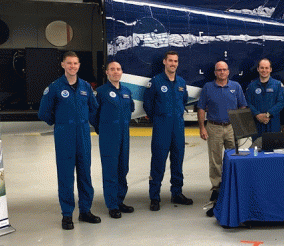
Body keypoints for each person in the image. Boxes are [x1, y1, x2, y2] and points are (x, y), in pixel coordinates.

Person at [38, 51, 101, 230]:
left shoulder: (86, 87)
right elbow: (43, 112)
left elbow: (93, 108)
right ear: (63, 65)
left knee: (85, 174)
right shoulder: (55, 87)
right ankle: (67, 215)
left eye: (75, 63)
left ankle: (85, 211)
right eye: (69, 63)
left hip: (82, 136)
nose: (72, 66)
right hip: (64, 136)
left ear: (79, 66)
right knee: (65, 176)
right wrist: (59, 124)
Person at [143, 51, 192, 211]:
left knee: (178, 161)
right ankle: (154, 197)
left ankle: (176, 193)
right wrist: (158, 117)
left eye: (175, 61)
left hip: (178, 126)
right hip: (161, 126)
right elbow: (148, 104)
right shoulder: (156, 82)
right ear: (164, 62)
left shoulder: (181, 82)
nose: (173, 63)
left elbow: (184, 100)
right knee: (158, 162)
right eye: (170, 60)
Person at [197, 61, 247, 214]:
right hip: (214, 127)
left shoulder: (236, 87)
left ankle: (233, 185)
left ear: (228, 71)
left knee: (234, 157)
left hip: (231, 128)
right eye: (219, 70)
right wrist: (202, 127)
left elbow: (242, 106)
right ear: (215, 72)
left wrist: (240, 127)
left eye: (224, 70)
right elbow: (200, 108)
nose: (222, 72)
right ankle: (216, 189)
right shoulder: (208, 88)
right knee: (215, 160)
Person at [94, 61, 135, 219]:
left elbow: (130, 109)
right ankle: (112, 205)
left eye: (118, 69)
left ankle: (120, 200)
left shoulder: (126, 91)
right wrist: (103, 129)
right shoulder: (101, 92)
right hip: (109, 136)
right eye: (112, 69)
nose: (116, 72)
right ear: (107, 73)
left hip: (124, 135)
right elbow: (93, 114)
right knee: (110, 170)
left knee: (123, 168)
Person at [245, 58, 284, 142]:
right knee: (257, 150)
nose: (264, 70)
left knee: (274, 150)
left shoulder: (278, 85)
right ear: (258, 69)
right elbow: (248, 103)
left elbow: (281, 102)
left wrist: (268, 114)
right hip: (257, 124)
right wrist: (257, 115)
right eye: (262, 68)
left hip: (273, 123)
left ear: (270, 69)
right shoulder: (251, 86)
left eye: (267, 68)